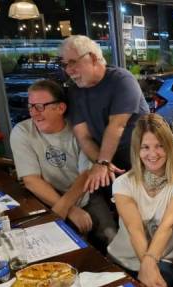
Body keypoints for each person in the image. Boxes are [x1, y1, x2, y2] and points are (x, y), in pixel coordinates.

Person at [9, 79, 116, 244]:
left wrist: (65, 208)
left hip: (84, 195)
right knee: (54, 246)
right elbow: (31, 181)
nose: (34, 113)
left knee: (112, 240)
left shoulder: (79, 130)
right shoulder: (22, 132)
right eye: (31, 106)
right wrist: (69, 210)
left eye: (40, 106)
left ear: (61, 108)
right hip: (46, 199)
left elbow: (86, 174)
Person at [107, 113, 173, 287]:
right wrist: (146, 265)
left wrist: (149, 262)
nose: (152, 154)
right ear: (137, 150)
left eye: (159, 146)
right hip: (123, 259)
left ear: (169, 147)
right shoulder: (123, 183)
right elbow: (134, 229)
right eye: (145, 147)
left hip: (164, 260)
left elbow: (166, 226)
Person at [59, 35, 149, 193]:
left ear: (92, 58)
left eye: (73, 62)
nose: (68, 70)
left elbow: (117, 125)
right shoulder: (75, 91)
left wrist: (103, 163)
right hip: (108, 163)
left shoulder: (121, 80)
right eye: (65, 65)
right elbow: (83, 137)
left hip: (142, 160)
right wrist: (102, 164)